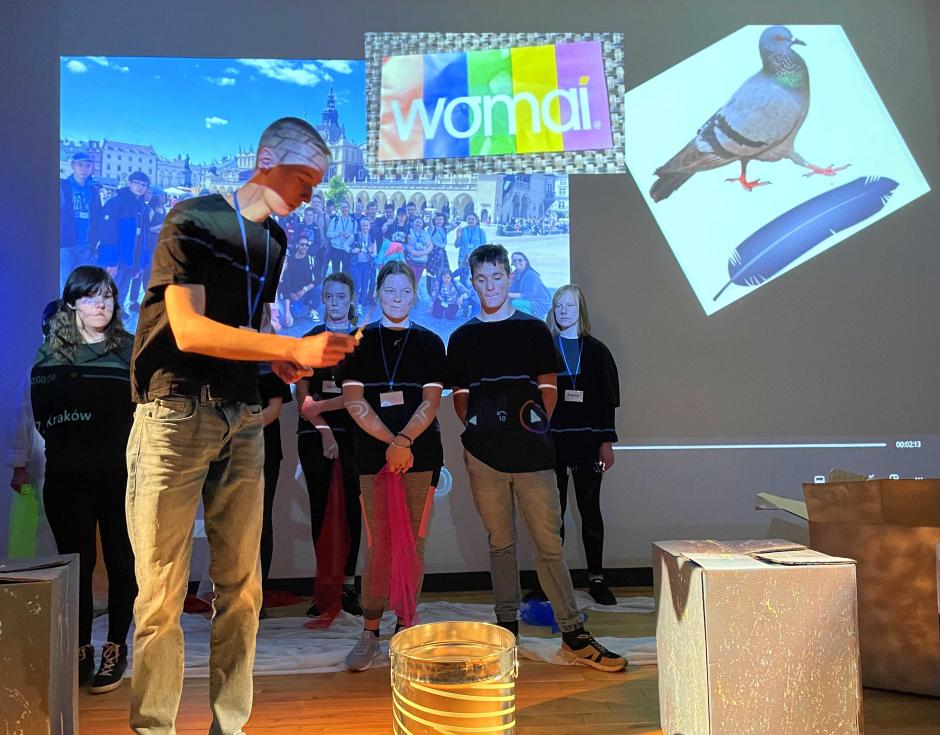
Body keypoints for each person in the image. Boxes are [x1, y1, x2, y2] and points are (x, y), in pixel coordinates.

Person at [125, 116, 357, 734]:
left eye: (317, 184)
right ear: (266, 160)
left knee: (243, 588)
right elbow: (189, 330)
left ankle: (230, 726)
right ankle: (154, 728)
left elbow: (245, 330)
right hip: (175, 411)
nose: (310, 194)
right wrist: (289, 346)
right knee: (161, 595)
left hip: (244, 415)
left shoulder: (274, 241)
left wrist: (278, 360)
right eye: (305, 179)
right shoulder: (192, 218)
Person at [446, 244, 626, 672]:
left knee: (549, 544)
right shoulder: (462, 337)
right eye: (481, 279)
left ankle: (573, 634)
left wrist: (532, 426)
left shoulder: (532, 330)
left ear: (509, 278)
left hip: (534, 456)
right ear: (473, 283)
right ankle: (507, 631)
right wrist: (480, 429)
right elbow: (460, 397)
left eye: (497, 277)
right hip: (484, 458)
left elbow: (549, 388)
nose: (490, 286)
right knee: (501, 543)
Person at [29, 266, 138, 693]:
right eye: (92, 296)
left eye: (107, 296)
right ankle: (80, 648)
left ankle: (115, 647)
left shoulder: (129, 349)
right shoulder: (50, 353)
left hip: (120, 474)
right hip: (67, 474)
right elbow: (43, 418)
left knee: (121, 561)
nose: (101, 304)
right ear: (72, 302)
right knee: (75, 564)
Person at [342, 261, 446, 671]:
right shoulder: (358, 341)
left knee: (413, 545)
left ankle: (405, 628)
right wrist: (390, 442)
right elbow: (354, 402)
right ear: (377, 293)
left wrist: (404, 441)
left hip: (421, 456)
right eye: (390, 290)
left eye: (405, 291)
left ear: (414, 296)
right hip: (373, 459)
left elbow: (431, 403)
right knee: (380, 545)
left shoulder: (430, 342)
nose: (397, 298)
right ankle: (370, 630)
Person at [537, 285, 621, 605]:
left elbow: (607, 401)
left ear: (580, 309)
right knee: (552, 516)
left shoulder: (598, 351)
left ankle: (596, 579)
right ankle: (551, 582)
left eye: (570, 306)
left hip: (588, 444)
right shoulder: (545, 350)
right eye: (559, 306)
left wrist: (606, 442)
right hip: (552, 445)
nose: (564, 312)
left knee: (590, 511)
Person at [296, 273, 363, 618]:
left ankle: (349, 586)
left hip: (355, 434)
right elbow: (303, 398)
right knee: (321, 510)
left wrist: (323, 405)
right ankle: (325, 587)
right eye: (329, 296)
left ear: (351, 299)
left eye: (341, 296)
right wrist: (324, 431)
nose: (334, 302)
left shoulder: (363, 340)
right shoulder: (309, 340)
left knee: (352, 509)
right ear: (322, 299)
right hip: (315, 435)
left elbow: (359, 396)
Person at [258, 363, 293, 618]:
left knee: (262, 521)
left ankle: (257, 593)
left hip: (264, 449)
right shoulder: (224, 358)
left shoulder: (270, 362)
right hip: (225, 448)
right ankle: (228, 594)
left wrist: (243, 426)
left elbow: (275, 407)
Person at [97, 171, 150, 301]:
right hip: (117, 258)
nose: (140, 187)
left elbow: (142, 238)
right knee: (107, 294)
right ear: (129, 183)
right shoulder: (117, 202)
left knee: (121, 294)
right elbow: (108, 232)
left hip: (130, 259)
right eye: (137, 183)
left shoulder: (142, 206)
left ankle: (116, 313)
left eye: (144, 185)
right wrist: (111, 261)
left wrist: (140, 264)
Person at [59, 151, 102, 281]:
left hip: (87, 244)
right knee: (65, 283)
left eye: (88, 166)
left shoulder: (93, 190)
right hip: (66, 244)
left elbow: (97, 217)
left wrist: (96, 240)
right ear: (73, 166)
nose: (84, 169)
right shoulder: (63, 186)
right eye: (80, 165)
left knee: (81, 284)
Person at [279, 236, 317, 327]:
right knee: (296, 314)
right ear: (296, 245)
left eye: (307, 245)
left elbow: (318, 279)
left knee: (319, 288)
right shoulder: (289, 261)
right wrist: (290, 294)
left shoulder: (311, 260)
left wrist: (304, 290)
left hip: (305, 291)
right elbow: (285, 283)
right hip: (292, 293)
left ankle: (312, 309)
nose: (305, 247)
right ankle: (294, 306)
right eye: (302, 244)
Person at [509, 251, 552, 318]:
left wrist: (506, 295)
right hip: (530, 301)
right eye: (514, 260)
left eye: (520, 260)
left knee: (515, 303)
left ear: (525, 261)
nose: (517, 262)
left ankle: (533, 319)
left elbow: (528, 295)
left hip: (540, 303)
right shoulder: (516, 273)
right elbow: (513, 289)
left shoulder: (531, 275)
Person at [350, 216, 376, 312]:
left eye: (367, 225)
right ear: (361, 226)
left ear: (370, 226)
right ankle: (352, 304)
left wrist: (371, 252)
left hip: (366, 265)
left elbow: (375, 253)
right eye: (363, 225)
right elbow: (345, 245)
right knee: (357, 285)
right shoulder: (355, 236)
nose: (365, 227)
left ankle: (360, 305)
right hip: (356, 264)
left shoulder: (372, 238)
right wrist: (352, 250)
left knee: (365, 285)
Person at [326, 200, 355, 274]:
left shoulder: (353, 222)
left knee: (346, 272)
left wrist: (350, 235)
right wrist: (338, 233)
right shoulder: (335, 220)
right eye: (342, 207)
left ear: (349, 208)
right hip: (335, 249)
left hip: (346, 250)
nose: (344, 209)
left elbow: (355, 236)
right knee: (335, 271)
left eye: (346, 207)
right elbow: (328, 234)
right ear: (340, 209)